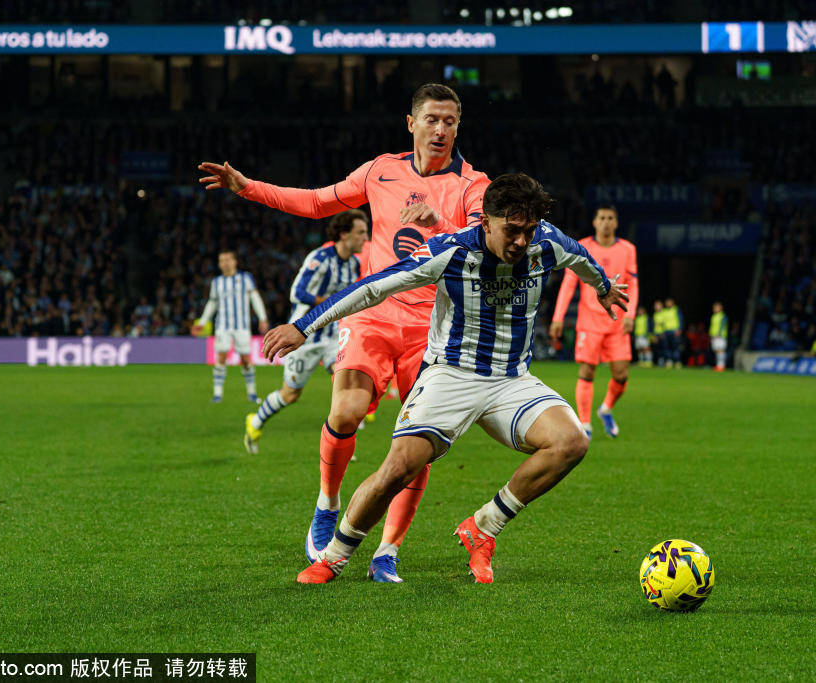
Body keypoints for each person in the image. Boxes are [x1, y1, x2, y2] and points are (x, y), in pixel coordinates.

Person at [263, 173, 629, 584]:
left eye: (528, 230)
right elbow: (373, 287)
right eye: (512, 230)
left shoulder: (545, 242)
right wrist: (304, 325)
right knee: (399, 467)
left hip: (511, 380)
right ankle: (333, 558)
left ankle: (483, 527)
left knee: (571, 441)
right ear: (485, 222)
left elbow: (581, 257)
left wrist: (603, 288)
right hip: (451, 375)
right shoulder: (450, 252)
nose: (521, 241)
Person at [198, 83, 490, 582]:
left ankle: (388, 550)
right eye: (432, 119)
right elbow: (317, 202)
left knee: (416, 445)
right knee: (346, 411)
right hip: (373, 315)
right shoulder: (381, 171)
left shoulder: (472, 184)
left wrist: (441, 221)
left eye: (450, 121)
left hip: (434, 328)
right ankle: (327, 503)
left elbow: (487, 242)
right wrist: (248, 187)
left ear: (458, 127)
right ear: (411, 123)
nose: (441, 130)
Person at [244, 211, 367, 452]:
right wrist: (330, 303)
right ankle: (255, 422)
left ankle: (340, 446)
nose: (366, 238)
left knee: (345, 380)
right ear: (344, 234)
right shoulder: (320, 259)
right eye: (361, 232)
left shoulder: (354, 264)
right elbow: (297, 293)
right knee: (290, 395)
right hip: (303, 337)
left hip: (333, 336)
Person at [549, 205, 638, 439]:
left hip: (617, 321)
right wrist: (558, 318)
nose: (606, 222)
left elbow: (633, 284)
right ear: (595, 222)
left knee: (621, 375)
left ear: (616, 223)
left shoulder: (628, 249)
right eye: (602, 218)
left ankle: (606, 409)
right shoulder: (582, 247)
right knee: (587, 370)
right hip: (589, 322)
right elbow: (569, 284)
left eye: (610, 218)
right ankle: (585, 425)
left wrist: (630, 315)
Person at [192, 250, 269, 403]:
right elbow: (212, 303)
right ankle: (217, 395)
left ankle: (252, 393)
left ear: (235, 262)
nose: (225, 263)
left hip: (242, 326)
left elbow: (255, 298)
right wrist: (202, 322)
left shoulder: (245, 278)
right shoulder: (217, 282)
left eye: (228, 259)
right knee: (220, 357)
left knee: (245, 359)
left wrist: (263, 318)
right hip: (223, 326)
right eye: (222, 260)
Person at [710, 301, 728, 371]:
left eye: (716, 307)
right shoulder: (714, 316)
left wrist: (719, 334)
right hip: (714, 336)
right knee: (717, 350)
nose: (715, 309)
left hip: (720, 336)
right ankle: (718, 365)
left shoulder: (722, 316)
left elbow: (722, 326)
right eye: (714, 308)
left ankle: (722, 365)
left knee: (721, 350)